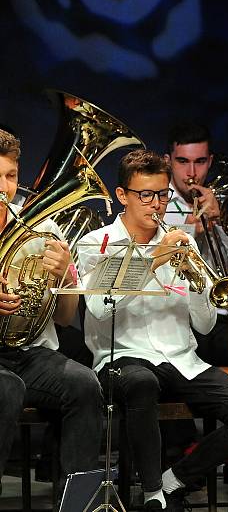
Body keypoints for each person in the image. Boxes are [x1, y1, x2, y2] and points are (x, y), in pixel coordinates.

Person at [77, 149, 228, 511]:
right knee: (141, 383)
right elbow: (101, 310)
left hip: (181, 358)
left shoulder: (184, 242)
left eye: (162, 195)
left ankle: (170, 481)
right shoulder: (97, 244)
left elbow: (206, 324)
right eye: (146, 195)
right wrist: (153, 262)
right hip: (123, 357)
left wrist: (197, 287)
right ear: (122, 196)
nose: (157, 205)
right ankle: (152, 496)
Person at [0, 128, 103, 502]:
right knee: (5, 389)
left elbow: (64, 317)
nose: (5, 186)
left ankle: (78, 502)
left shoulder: (41, 225)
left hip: (27, 350)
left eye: (10, 176)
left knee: (85, 384)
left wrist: (65, 276)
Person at [162, 122, 228, 367]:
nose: (191, 172)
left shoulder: (221, 202)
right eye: (182, 161)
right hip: (178, 317)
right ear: (168, 161)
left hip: (223, 315)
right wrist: (192, 232)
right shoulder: (156, 203)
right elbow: (160, 270)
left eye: (200, 161)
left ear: (210, 161)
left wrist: (220, 221)